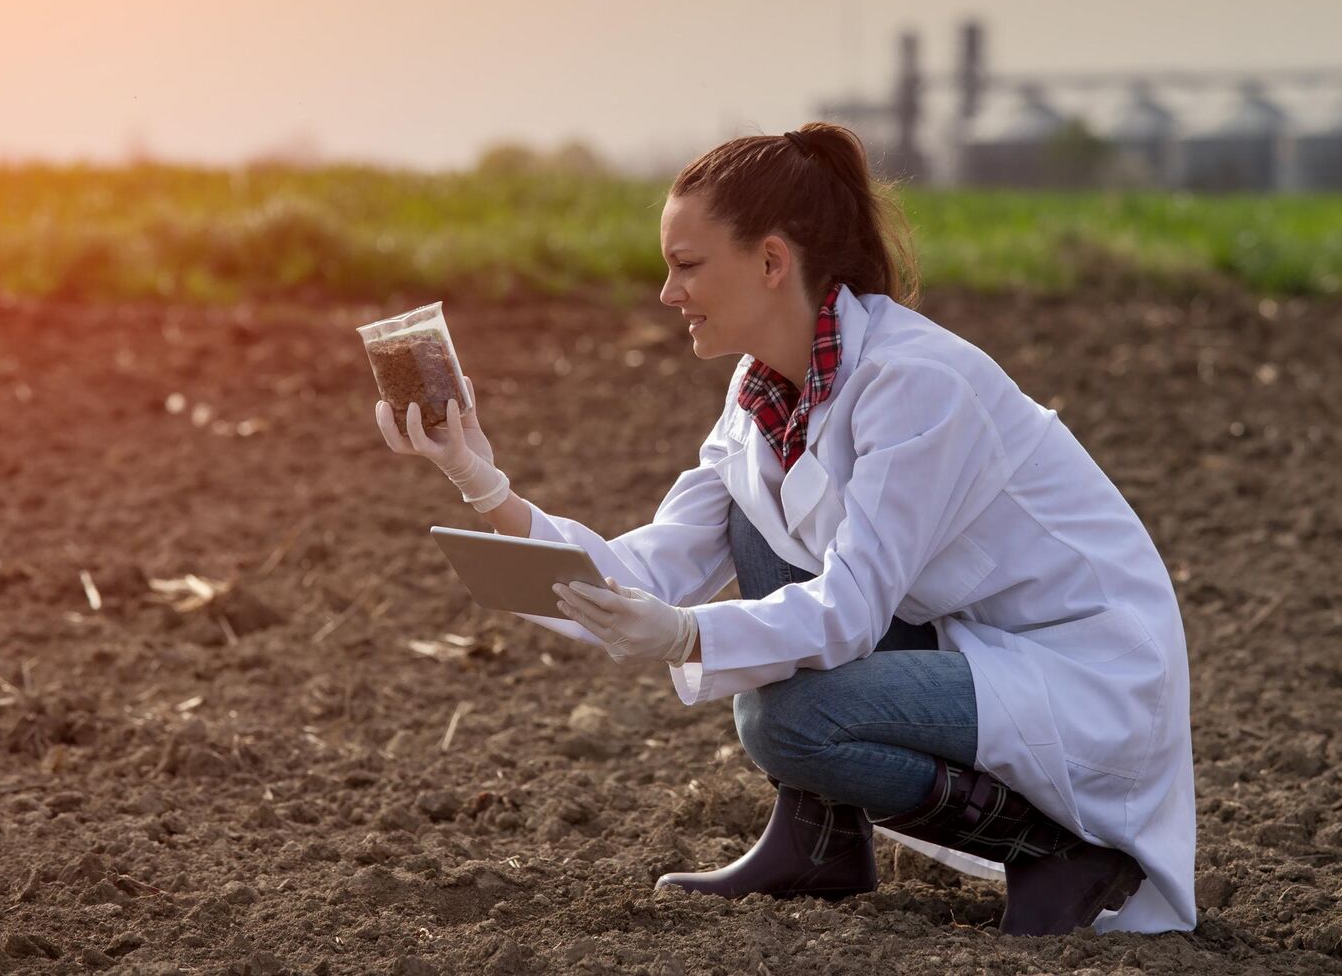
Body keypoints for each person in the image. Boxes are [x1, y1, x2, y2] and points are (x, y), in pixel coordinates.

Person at [373, 122, 1195, 936]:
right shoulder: (761, 392)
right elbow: (645, 570)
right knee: (760, 520)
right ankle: (820, 842)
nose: (668, 294)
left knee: (789, 719)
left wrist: (688, 635)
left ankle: (1056, 851)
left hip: (1082, 668)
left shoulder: (915, 383)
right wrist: (478, 477)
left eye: (686, 266)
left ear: (771, 261)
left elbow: (849, 611)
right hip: (974, 641)